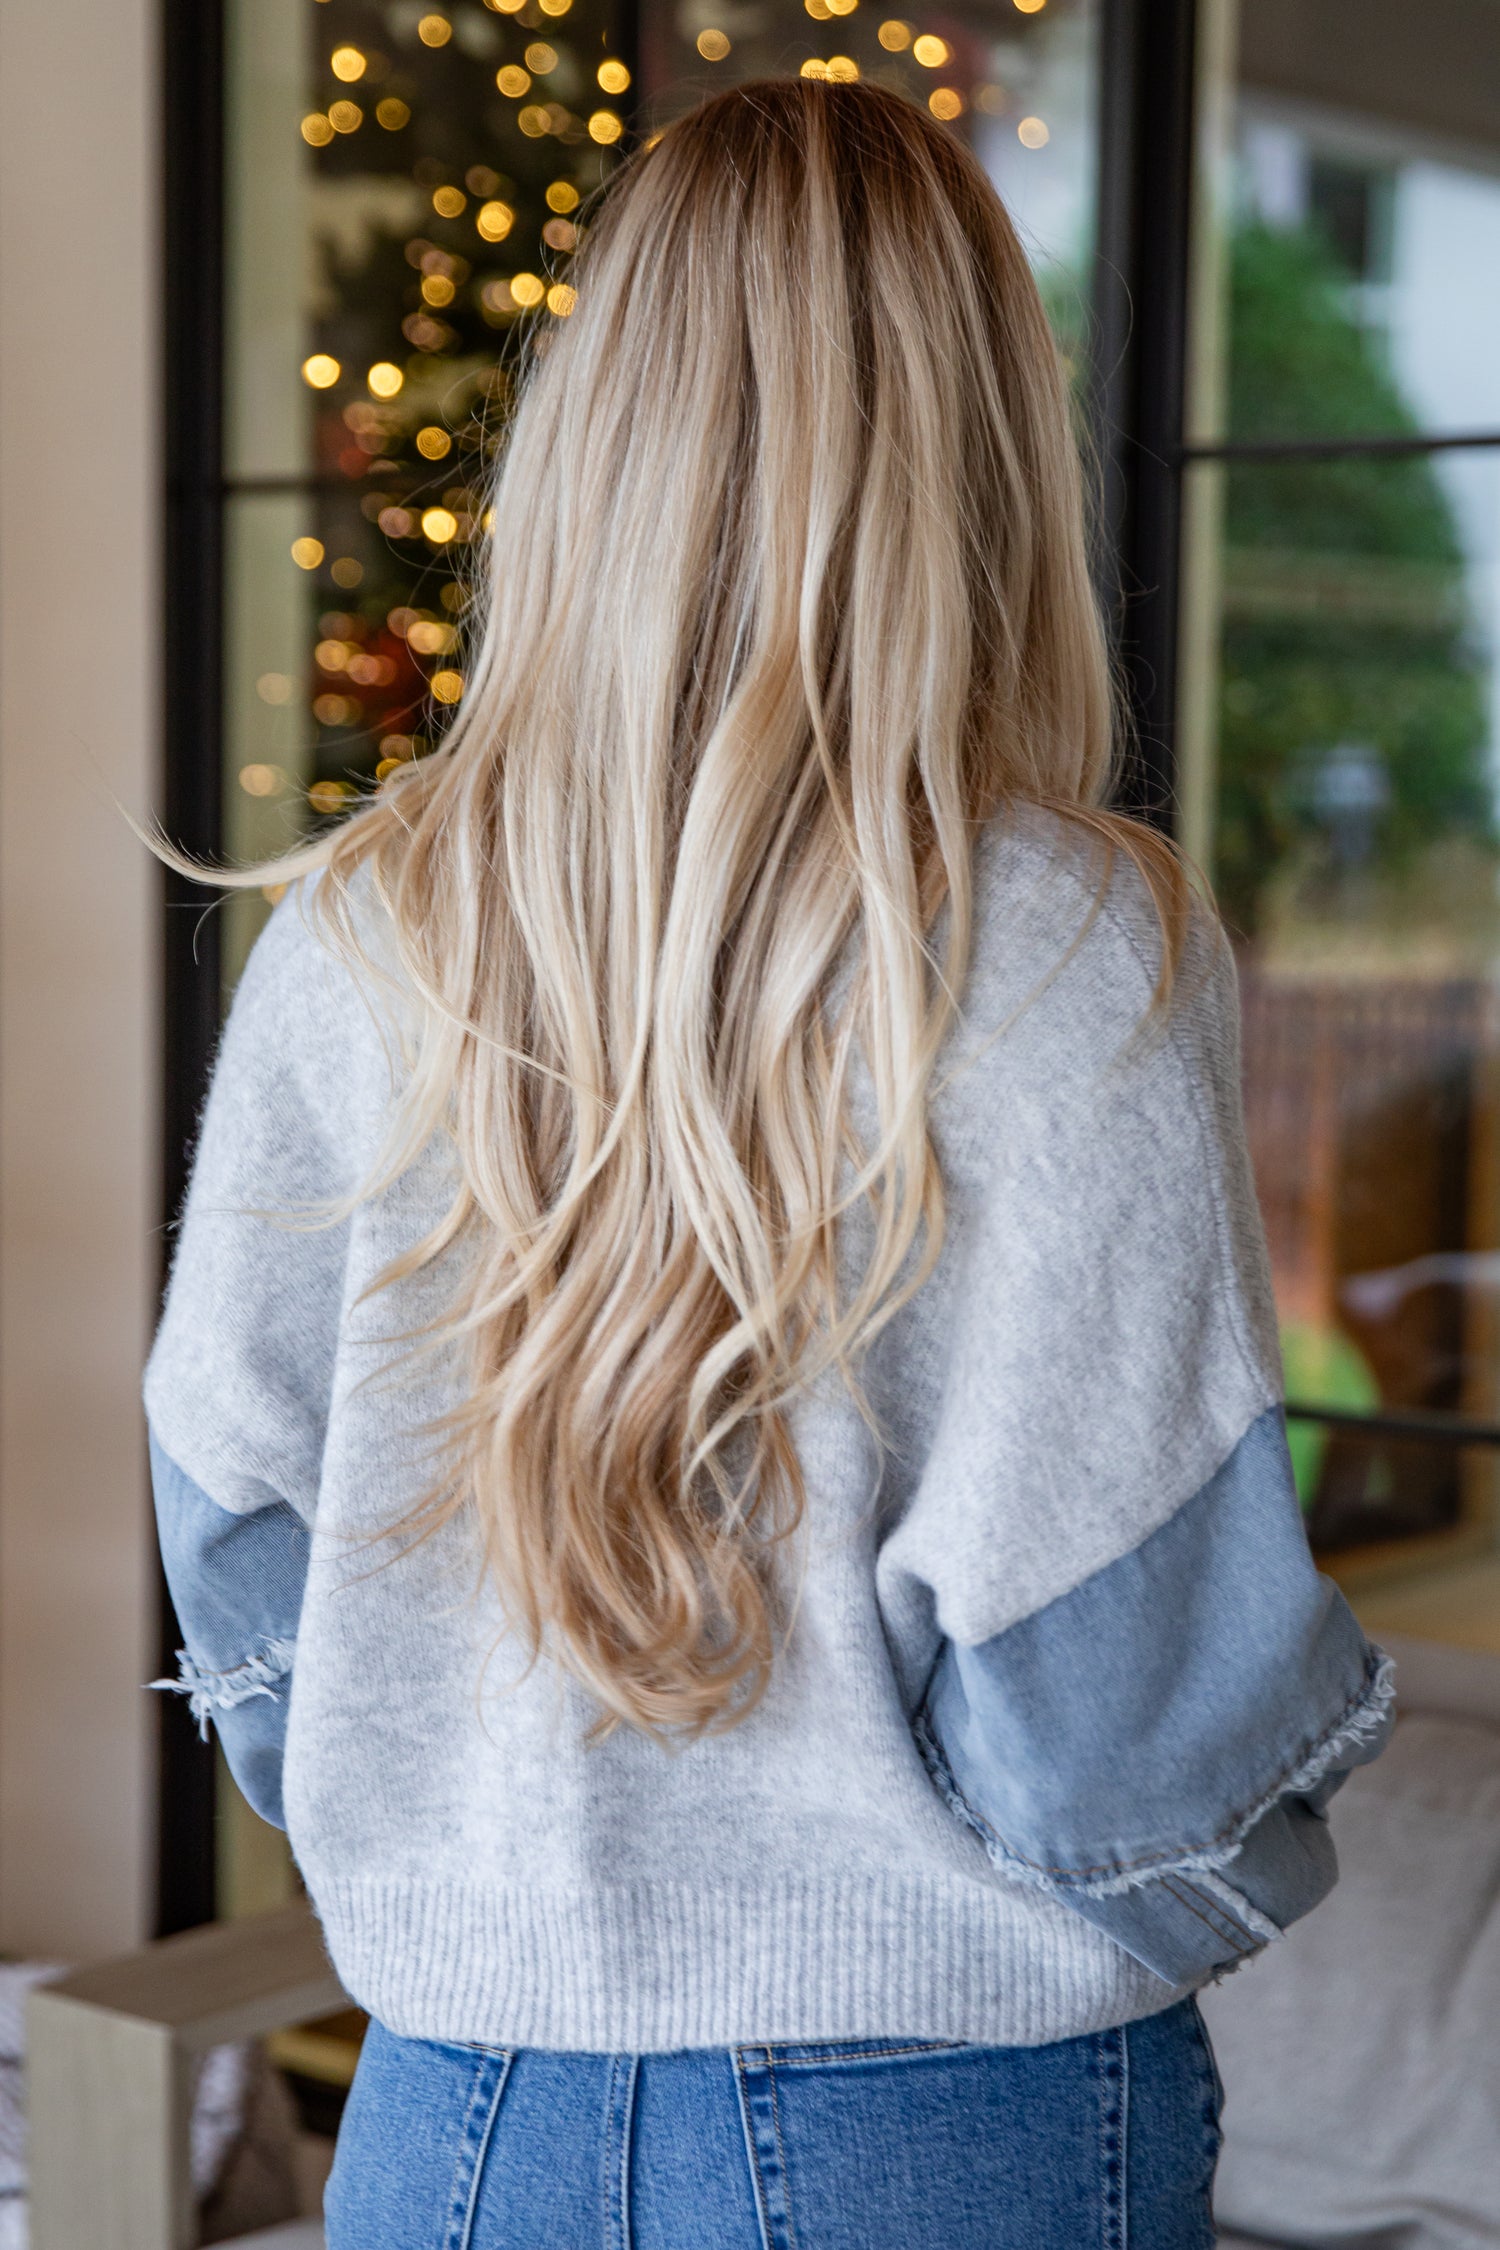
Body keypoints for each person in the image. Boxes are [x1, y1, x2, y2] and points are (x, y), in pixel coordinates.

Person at [146, 77, 1393, 2249]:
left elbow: (234, 1515)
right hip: (956, 2130)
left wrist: (461, 1814)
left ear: (595, 429)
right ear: (990, 454)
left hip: (454, 2125)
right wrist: (1247, 1848)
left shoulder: (359, 927)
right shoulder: (1071, 944)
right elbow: (1112, 1729)